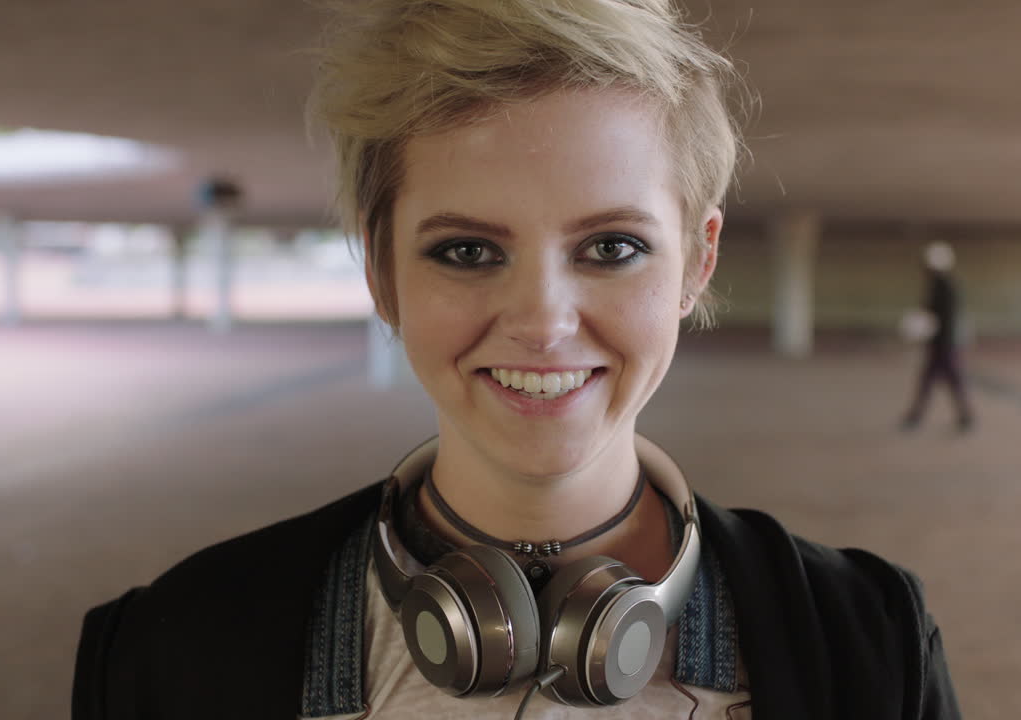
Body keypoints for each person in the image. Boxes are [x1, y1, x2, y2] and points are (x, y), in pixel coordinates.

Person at [73, 1, 961, 718]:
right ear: (381, 271)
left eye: (611, 247)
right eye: (467, 250)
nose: (542, 322)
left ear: (698, 261)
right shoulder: (172, 651)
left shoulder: (868, 641)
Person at [901, 242, 976, 432]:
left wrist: (927, 332)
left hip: (945, 344)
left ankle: (963, 416)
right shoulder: (940, 284)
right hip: (943, 343)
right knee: (936, 380)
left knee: (949, 379)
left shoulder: (945, 286)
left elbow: (943, 317)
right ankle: (918, 416)